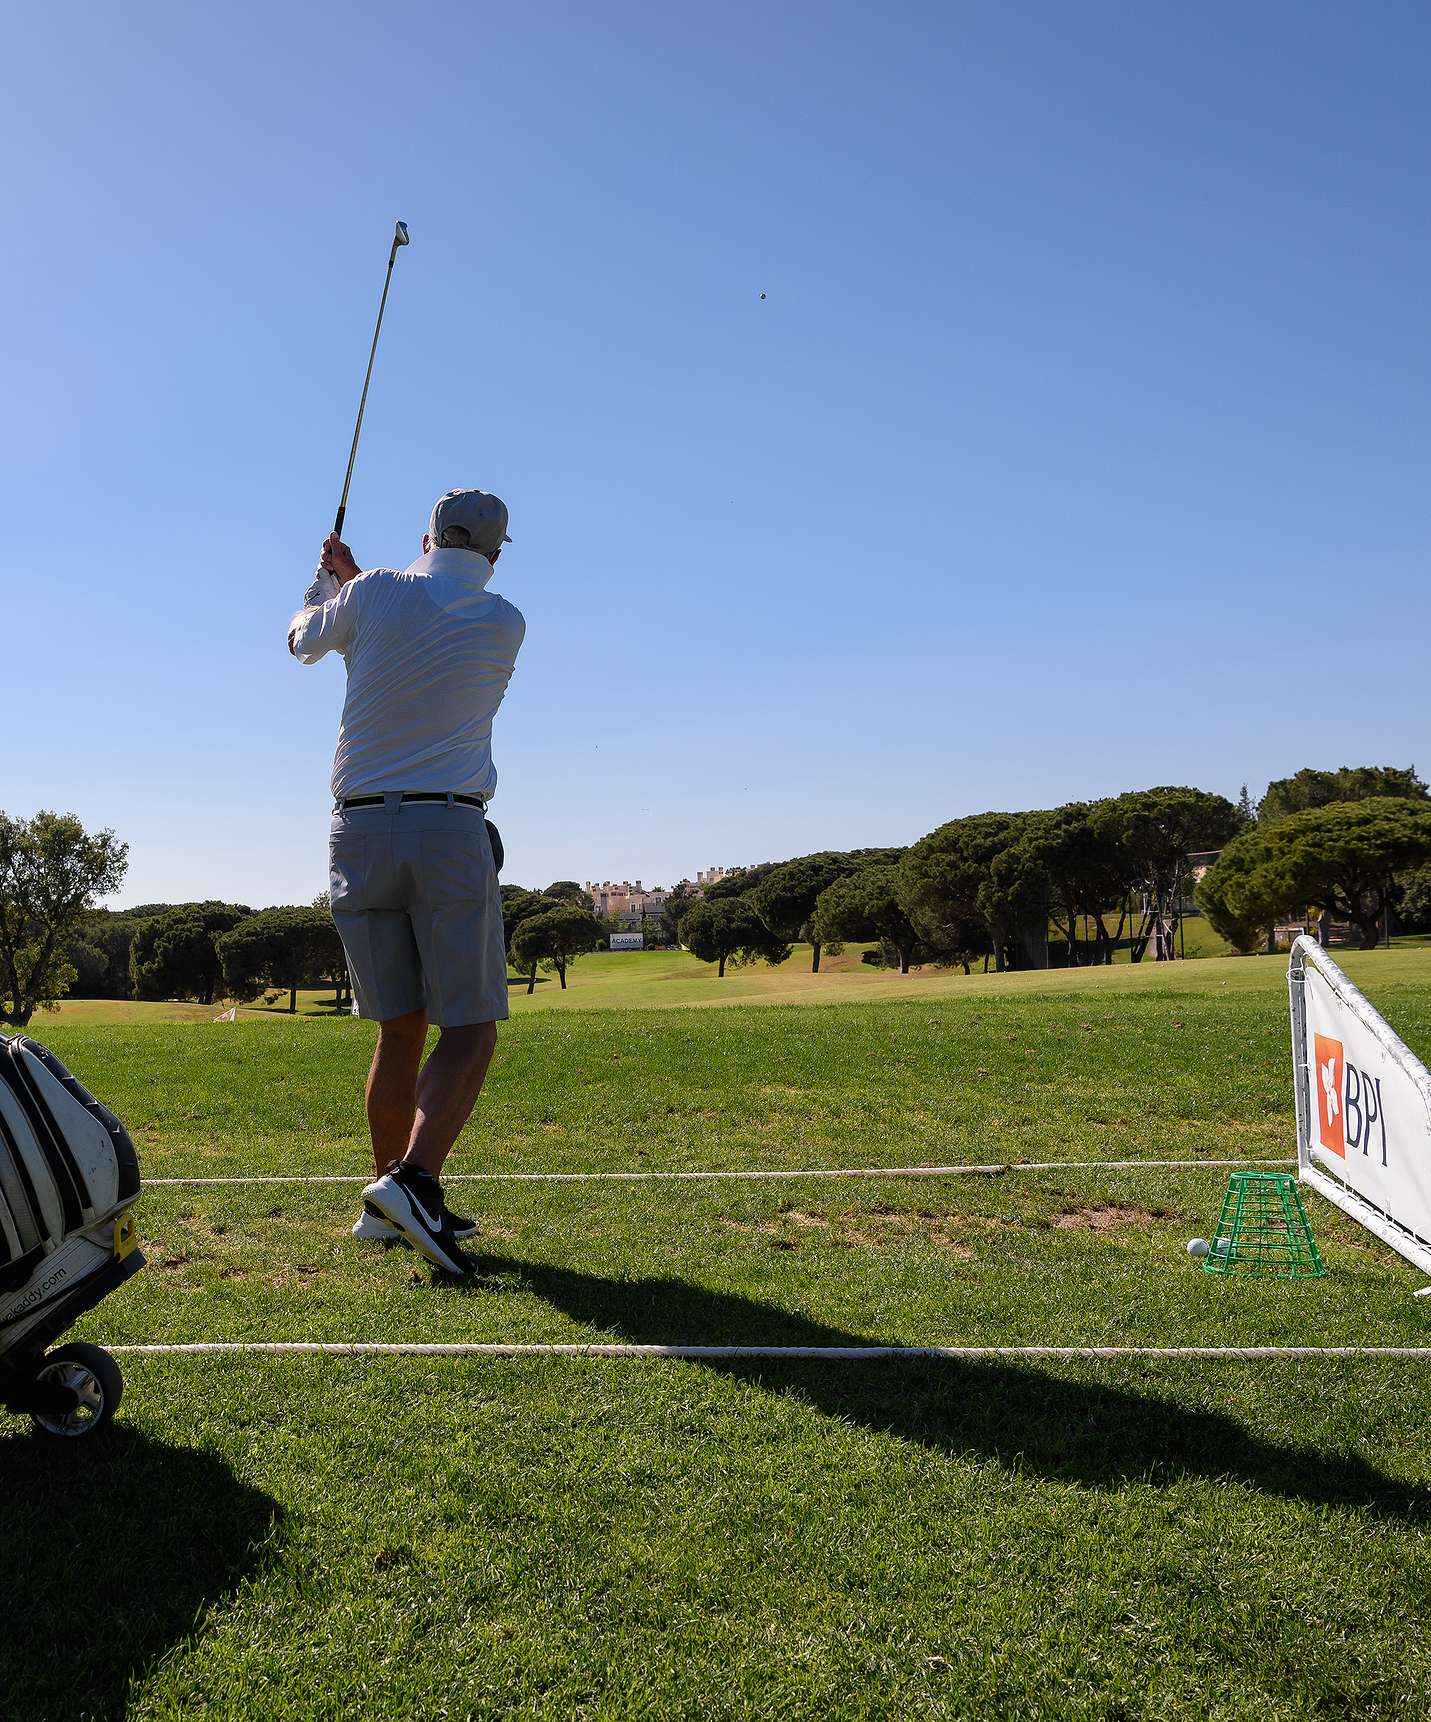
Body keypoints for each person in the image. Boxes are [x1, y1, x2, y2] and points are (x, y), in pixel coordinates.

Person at [287, 488, 525, 1274]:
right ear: (495, 552)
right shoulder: (502, 620)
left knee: (400, 1026)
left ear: (426, 533)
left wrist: (329, 588)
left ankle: (390, 1202)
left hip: (355, 833)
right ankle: (414, 1185)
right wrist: (355, 586)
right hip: (448, 829)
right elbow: (420, 615)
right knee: (471, 1023)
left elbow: (302, 643)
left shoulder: (375, 590)